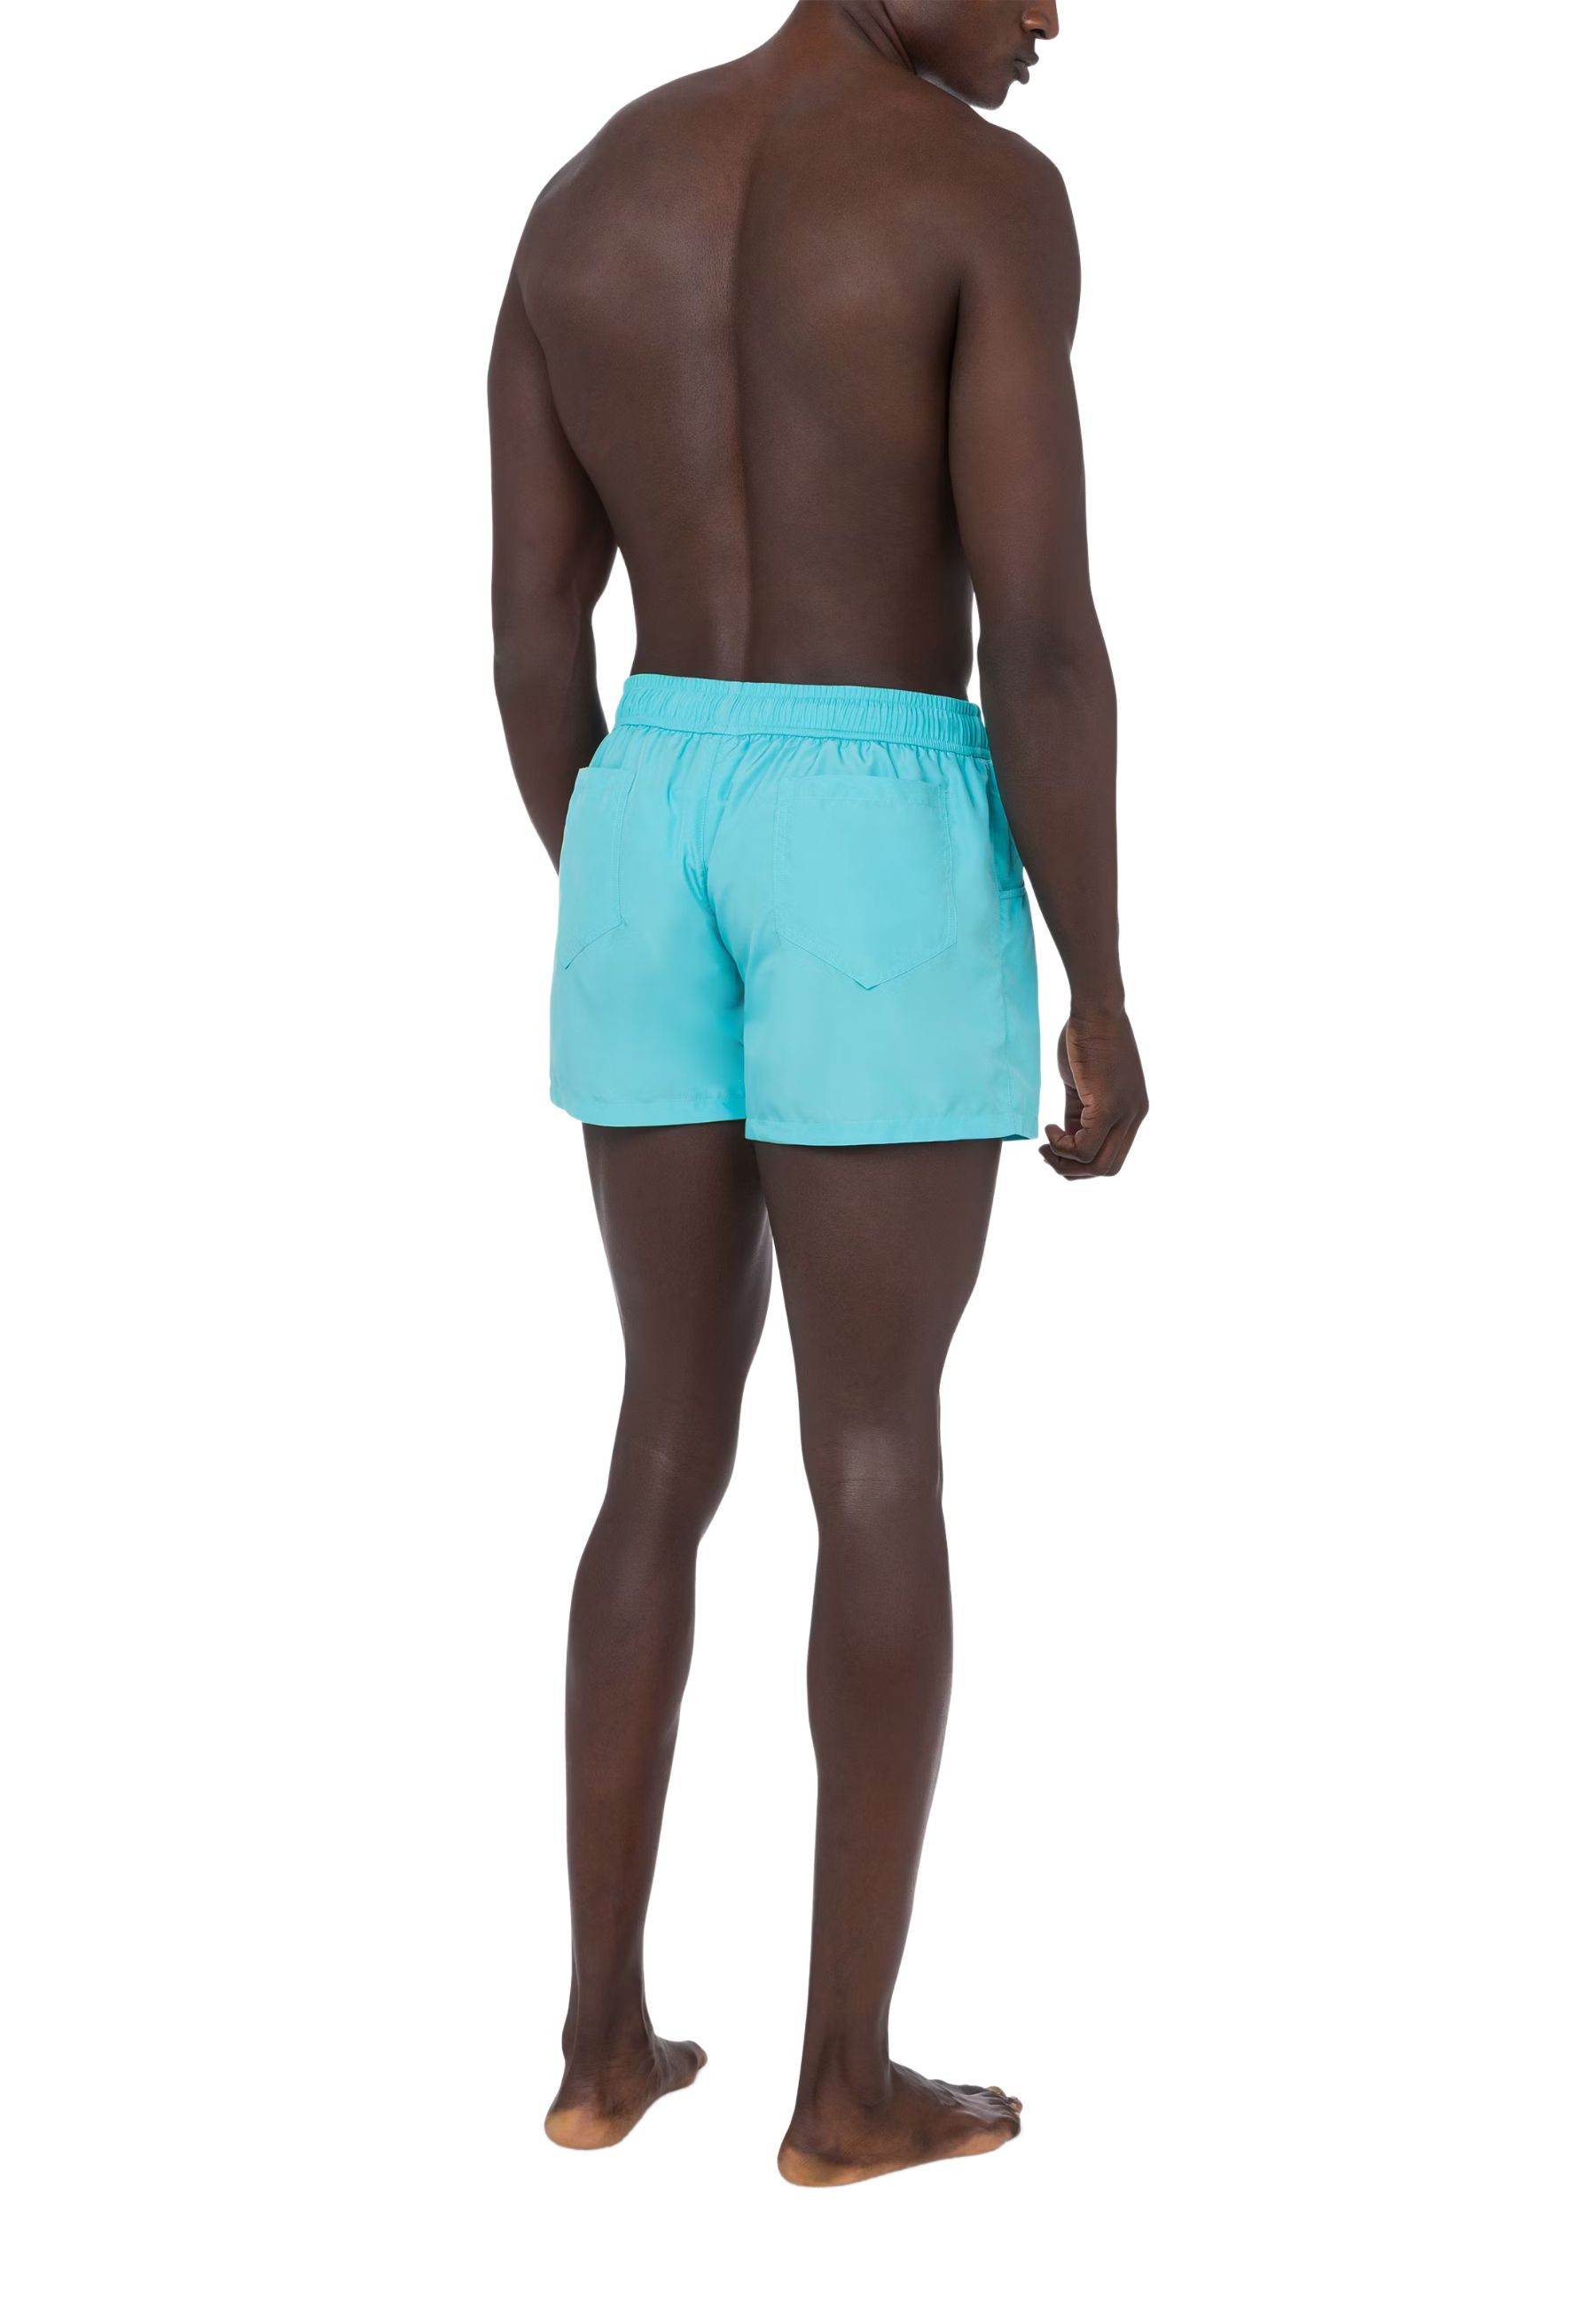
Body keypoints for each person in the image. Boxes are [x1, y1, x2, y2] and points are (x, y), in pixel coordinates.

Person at [489, 0, 1147, 2188]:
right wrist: (1102, 981)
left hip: (646, 800)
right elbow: (1037, 637)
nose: (1050, 13)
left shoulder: (590, 192)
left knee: (659, 1439)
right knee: (871, 1451)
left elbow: (531, 643)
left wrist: (634, 878)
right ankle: (843, 2084)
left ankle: (599, 2042)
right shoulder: (980, 200)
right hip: (871, 799)